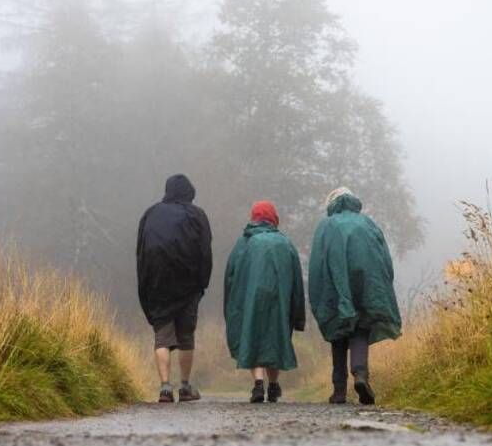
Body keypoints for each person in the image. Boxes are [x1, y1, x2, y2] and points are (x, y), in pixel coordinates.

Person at [309, 187, 401, 405]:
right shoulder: (368, 223)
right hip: (368, 282)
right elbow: (384, 258)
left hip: (335, 282)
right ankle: (360, 375)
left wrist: (318, 292)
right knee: (361, 327)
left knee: (338, 330)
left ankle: (339, 391)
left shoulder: (326, 226)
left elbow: (316, 264)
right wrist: (385, 281)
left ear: (331, 204)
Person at [136, 174, 212, 403]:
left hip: (157, 284)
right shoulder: (196, 215)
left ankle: (165, 388)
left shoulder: (150, 214)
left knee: (162, 337)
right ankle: (185, 387)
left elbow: (141, 252)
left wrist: (146, 284)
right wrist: (202, 283)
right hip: (188, 285)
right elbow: (205, 252)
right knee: (186, 335)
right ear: (189, 192)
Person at [224, 201, 305, 403]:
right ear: (273, 218)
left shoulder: (244, 243)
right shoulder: (285, 243)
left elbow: (230, 276)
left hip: (250, 299)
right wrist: (298, 315)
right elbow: (297, 280)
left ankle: (258, 384)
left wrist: (231, 306)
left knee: (253, 336)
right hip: (279, 299)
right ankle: (274, 385)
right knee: (275, 337)